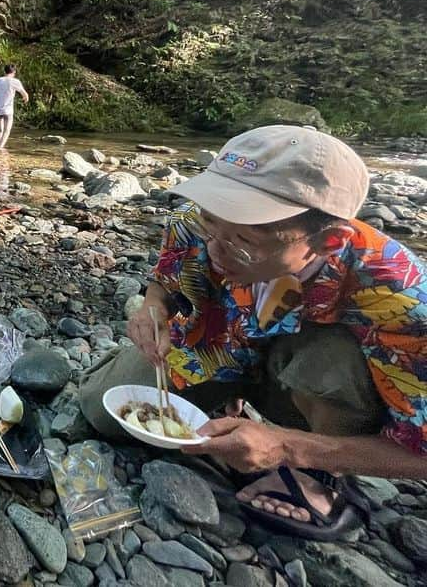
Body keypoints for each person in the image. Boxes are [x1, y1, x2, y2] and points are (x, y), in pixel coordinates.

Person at [78, 125, 427, 540]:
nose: (214, 249)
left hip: (310, 387)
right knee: (101, 410)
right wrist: (153, 308)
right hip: (222, 350)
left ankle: (321, 473)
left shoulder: (401, 296)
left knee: (326, 361)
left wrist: (287, 447)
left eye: (243, 242)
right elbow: (167, 279)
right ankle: (232, 412)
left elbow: (420, 452)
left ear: (329, 240)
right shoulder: (209, 222)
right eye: (211, 223)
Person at [0, 64, 28, 149]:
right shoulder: (15, 81)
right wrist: (25, 99)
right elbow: (25, 94)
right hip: (8, 110)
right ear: (14, 72)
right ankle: (0, 148)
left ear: (4, 71)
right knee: (7, 130)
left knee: (0, 130)